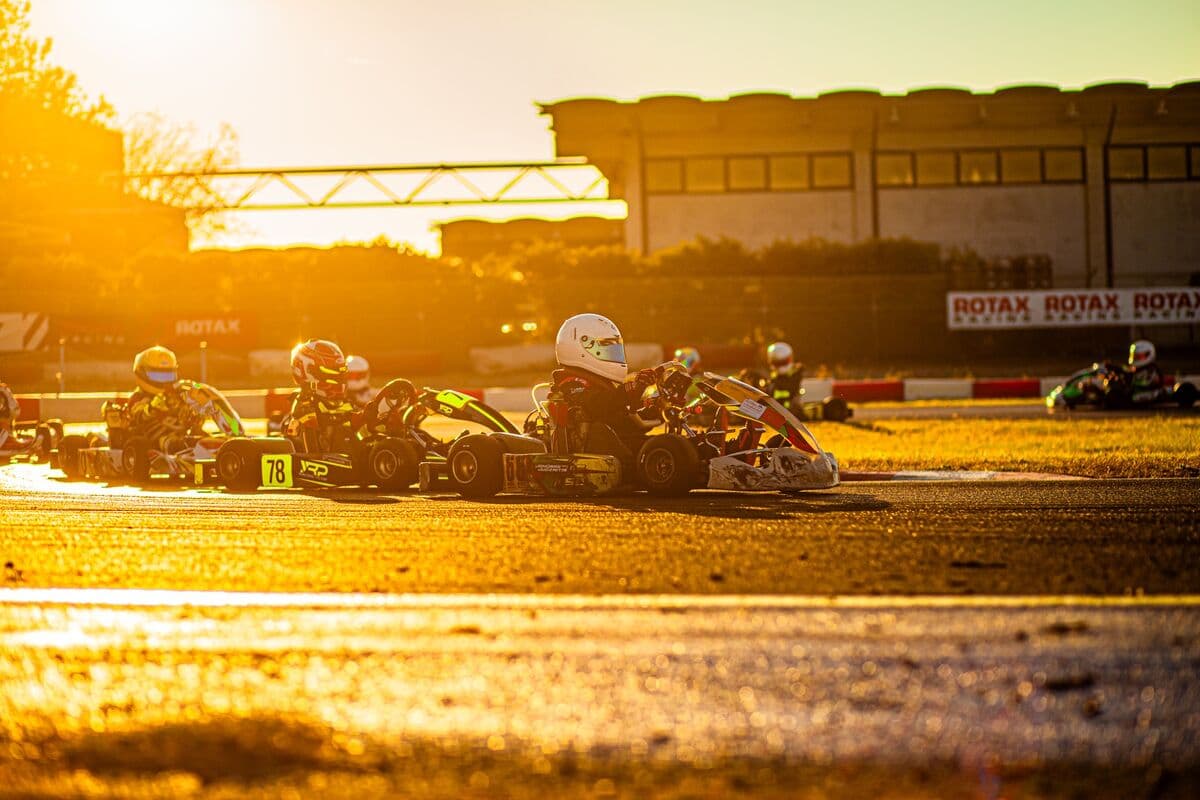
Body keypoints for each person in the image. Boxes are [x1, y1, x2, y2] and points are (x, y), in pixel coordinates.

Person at [549, 313, 657, 471]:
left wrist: (653, 407)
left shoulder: (602, 385)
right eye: (605, 348)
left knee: (665, 444)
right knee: (600, 431)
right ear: (582, 348)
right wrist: (630, 390)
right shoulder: (571, 383)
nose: (612, 354)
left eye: (614, 348)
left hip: (621, 442)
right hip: (592, 447)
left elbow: (623, 417)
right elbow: (598, 405)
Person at [284, 339, 355, 452]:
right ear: (306, 371)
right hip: (319, 463)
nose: (337, 379)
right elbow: (313, 454)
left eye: (339, 373)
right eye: (330, 373)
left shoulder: (344, 404)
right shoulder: (305, 405)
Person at [126, 345, 196, 451]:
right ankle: (173, 445)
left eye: (168, 376)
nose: (165, 382)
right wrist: (151, 408)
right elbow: (138, 415)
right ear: (141, 373)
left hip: (179, 434)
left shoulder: (177, 395)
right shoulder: (138, 397)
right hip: (150, 439)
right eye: (158, 376)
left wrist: (193, 412)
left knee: (199, 432)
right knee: (164, 439)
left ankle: (203, 445)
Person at [765, 341, 805, 410]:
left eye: (782, 362)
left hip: (792, 413)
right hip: (779, 411)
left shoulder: (796, 376)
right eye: (778, 362)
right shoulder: (772, 378)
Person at [1127, 339, 1166, 404]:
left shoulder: (1151, 369)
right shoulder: (1137, 369)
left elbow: (1144, 383)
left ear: (1148, 354)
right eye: (1134, 356)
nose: (1135, 358)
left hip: (1149, 392)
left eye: (1138, 356)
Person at [0, 382, 20, 452]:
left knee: (4, 425)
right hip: (13, 409)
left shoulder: (1, 391)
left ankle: (7, 440)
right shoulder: (3, 388)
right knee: (8, 427)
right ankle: (11, 439)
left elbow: (1, 404)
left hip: (9, 410)